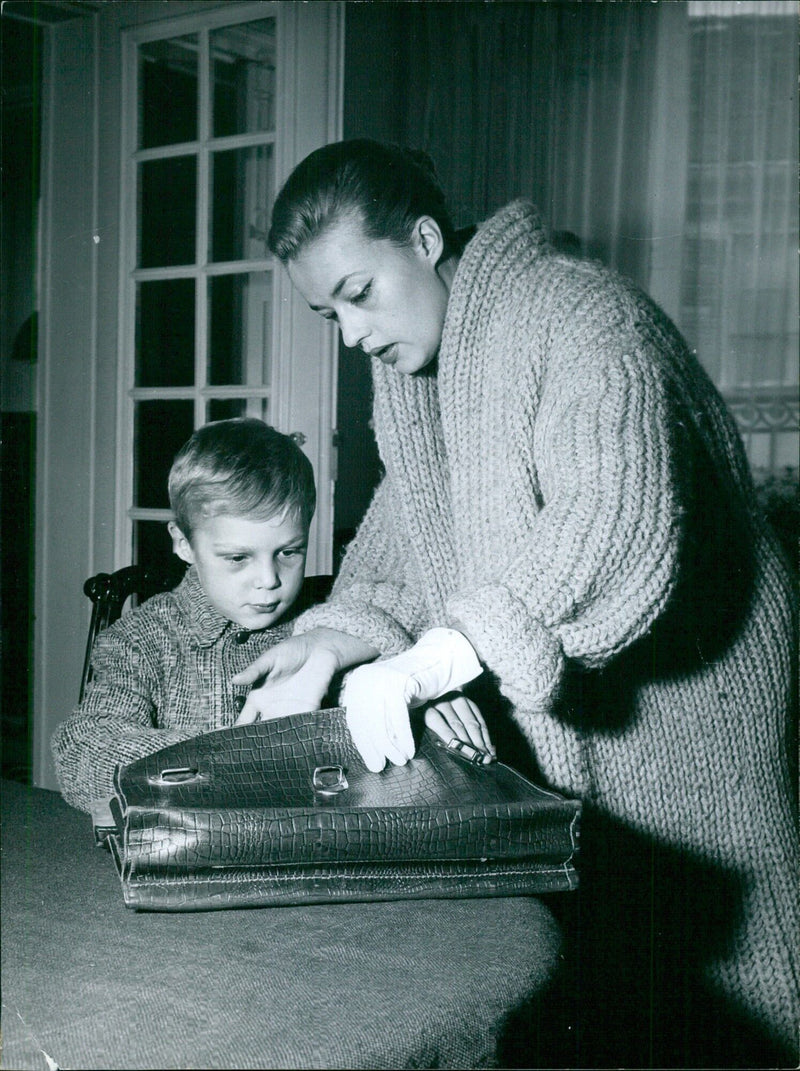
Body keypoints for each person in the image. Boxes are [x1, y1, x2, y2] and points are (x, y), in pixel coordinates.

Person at [231, 139, 798, 1064]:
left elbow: (614, 515)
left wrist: (433, 658)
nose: (349, 333)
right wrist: (330, 640)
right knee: (617, 974)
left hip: (697, 691)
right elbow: (410, 514)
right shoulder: (425, 368)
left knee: (727, 979)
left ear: (423, 239)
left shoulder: (579, 313)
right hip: (589, 704)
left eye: (358, 293)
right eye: (324, 310)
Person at [51, 418, 316, 814]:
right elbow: (82, 751)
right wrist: (231, 751)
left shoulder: (325, 619)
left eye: (288, 552)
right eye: (238, 557)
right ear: (184, 544)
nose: (269, 580)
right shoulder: (137, 640)